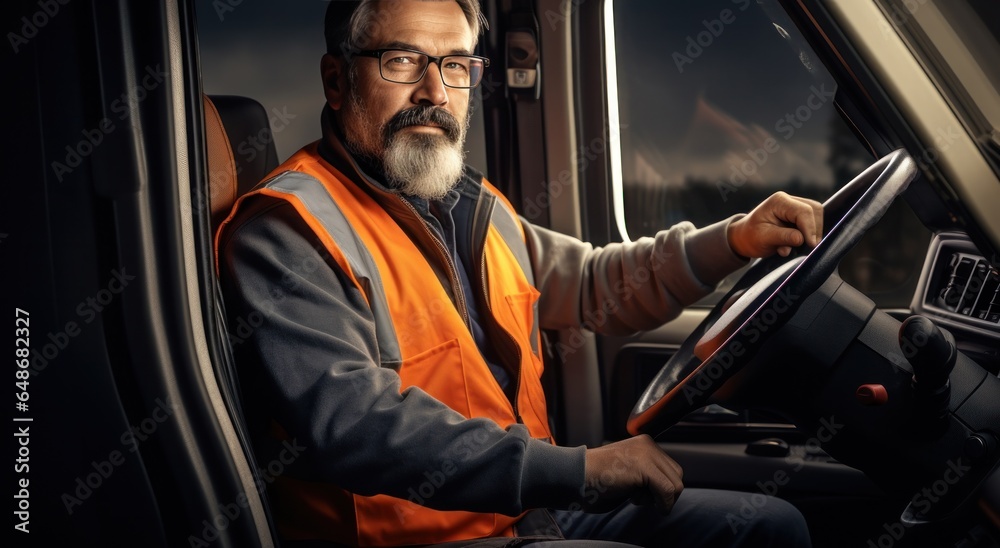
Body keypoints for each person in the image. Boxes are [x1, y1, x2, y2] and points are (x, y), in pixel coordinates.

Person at [216, 0, 821, 546]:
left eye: (456, 65)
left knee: (771, 528)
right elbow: (354, 424)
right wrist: (579, 470)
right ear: (337, 81)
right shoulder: (287, 230)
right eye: (403, 61)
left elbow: (591, 284)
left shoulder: (466, 203)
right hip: (422, 537)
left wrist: (736, 239)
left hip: (523, 513)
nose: (434, 90)